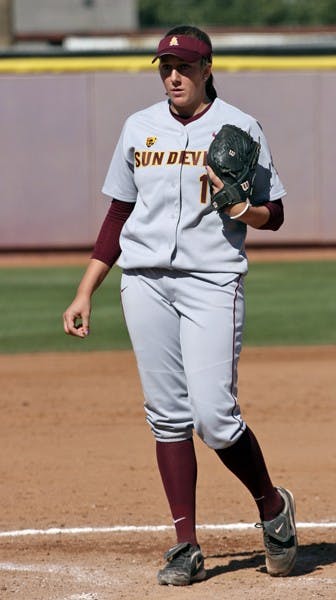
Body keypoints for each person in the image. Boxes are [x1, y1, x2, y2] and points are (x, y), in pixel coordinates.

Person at [63, 24, 297, 586]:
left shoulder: (240, 126)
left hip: (211, 280)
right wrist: (85, 288)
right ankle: (185, 545)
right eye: (166, 67)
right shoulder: (138, 128)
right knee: (167, 416)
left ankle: (272, 506)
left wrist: (242, 211)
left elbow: (276, 215)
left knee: (215, 418)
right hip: (143, 279)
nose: (173, 76)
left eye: (185, 67)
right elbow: (119, 213)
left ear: (207, 68)